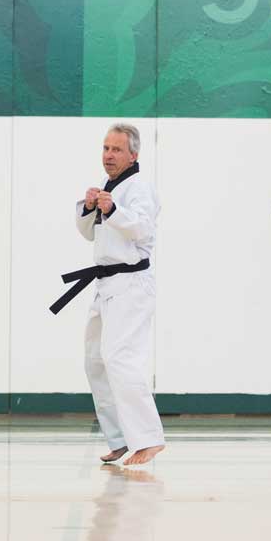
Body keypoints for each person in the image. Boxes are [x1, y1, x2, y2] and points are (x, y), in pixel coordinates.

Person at [52, 124, 164, 466]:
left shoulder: (140, 187)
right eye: (105, 148)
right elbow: (89, 233)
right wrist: (88, 207)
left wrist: (113, 209)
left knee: (120, 358)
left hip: (131, 284)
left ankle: (149, 439)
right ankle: (119, 438)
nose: (109, 155)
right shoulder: (107, 186)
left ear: (134, 154)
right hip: (106, 285)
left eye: (116, 149)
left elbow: (143, 227)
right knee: (96, 361)